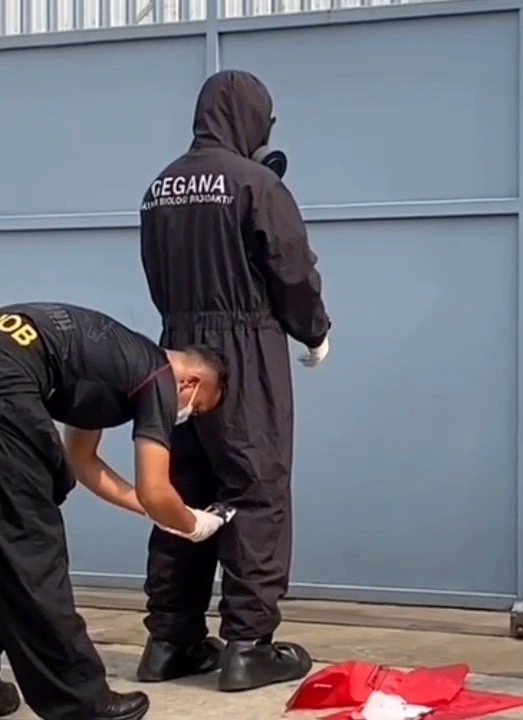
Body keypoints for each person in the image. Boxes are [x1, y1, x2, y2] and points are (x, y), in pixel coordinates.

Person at [135, 68, 331, 693]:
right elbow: (291, 270)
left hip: (175, 353)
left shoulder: (160, 187)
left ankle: (170, 640)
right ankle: (248, 646)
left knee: (185, 486)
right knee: (256, 488)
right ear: (251, 119)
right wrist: (314, 331)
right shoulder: (256, 184)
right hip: (245, 348)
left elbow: (154, 272)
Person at [0, 301, 229, 720]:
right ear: (190, 383)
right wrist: (196, 524)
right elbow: (156, 491)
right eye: (199, 408)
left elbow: (83, 463)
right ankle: (81, 703)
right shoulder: (158, 375)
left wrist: (164, 516)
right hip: (0, 385)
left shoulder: (108, 366)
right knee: (30, 550)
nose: (188, 415)